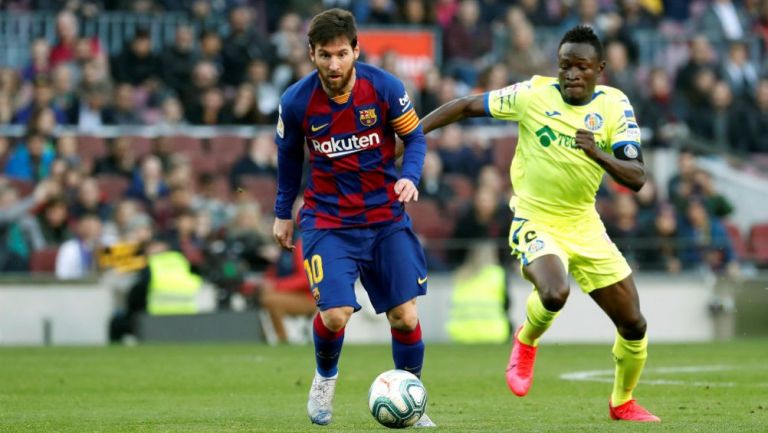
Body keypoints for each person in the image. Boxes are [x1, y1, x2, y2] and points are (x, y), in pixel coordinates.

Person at [420, 25, 659, 422]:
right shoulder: (532, 95)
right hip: (535, 217)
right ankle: (526, 340)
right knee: (555, 292)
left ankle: (622, 402)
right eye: (565, 66)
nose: (571, 75)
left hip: (585, 225)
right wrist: (411, 134)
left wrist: (599, 153)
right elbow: (465, 105)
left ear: (600, 69)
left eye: (581, 67)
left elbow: (636, 177)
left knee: (634, 323)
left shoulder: (616, 106)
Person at [272, 9, 434, 427]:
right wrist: (282, 213)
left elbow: (414, 137)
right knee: (334, 314)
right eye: (325, 55)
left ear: (356, 50)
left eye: (342, 54)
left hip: (384, 218)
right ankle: (325, 379)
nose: (334, 64)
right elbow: (289, 160)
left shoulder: (384, 87)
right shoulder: (296, 101)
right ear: (311, 54)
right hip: (328, 221)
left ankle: (411, 401)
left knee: (405, 315)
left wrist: (410, 178)